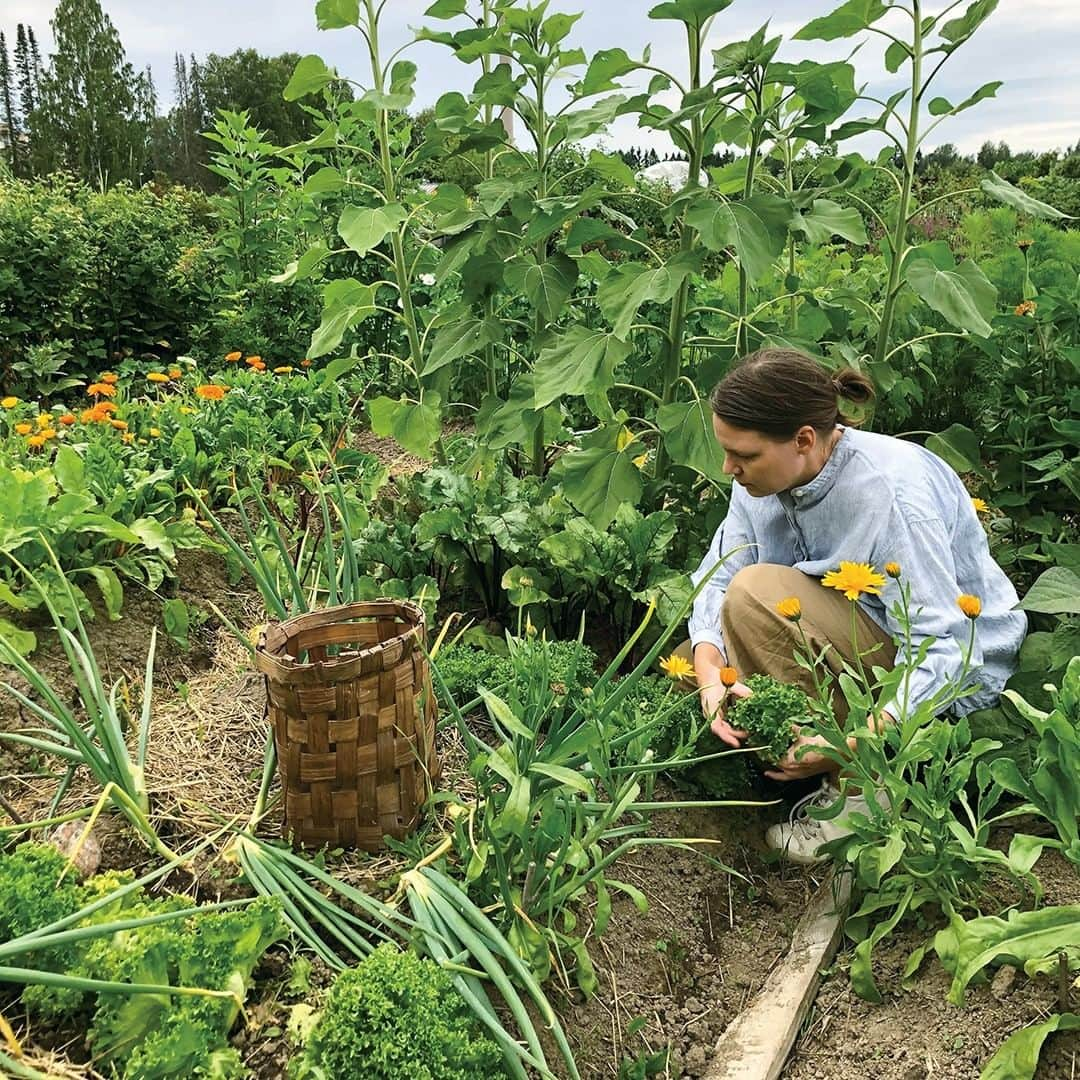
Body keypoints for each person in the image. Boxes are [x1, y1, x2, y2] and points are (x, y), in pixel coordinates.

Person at [686, 348, 1027, 864]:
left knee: (753, 597)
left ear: (803, 440)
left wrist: (850, 745)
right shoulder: (758, 478)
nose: (728, 467)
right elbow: (720, 572)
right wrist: (710, 671)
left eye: (745, 455)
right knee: (693, 661)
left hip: (942, 664)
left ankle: (860, 795)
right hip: (850, 635)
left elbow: (946, 647)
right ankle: (793, 760)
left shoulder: (890, 492)